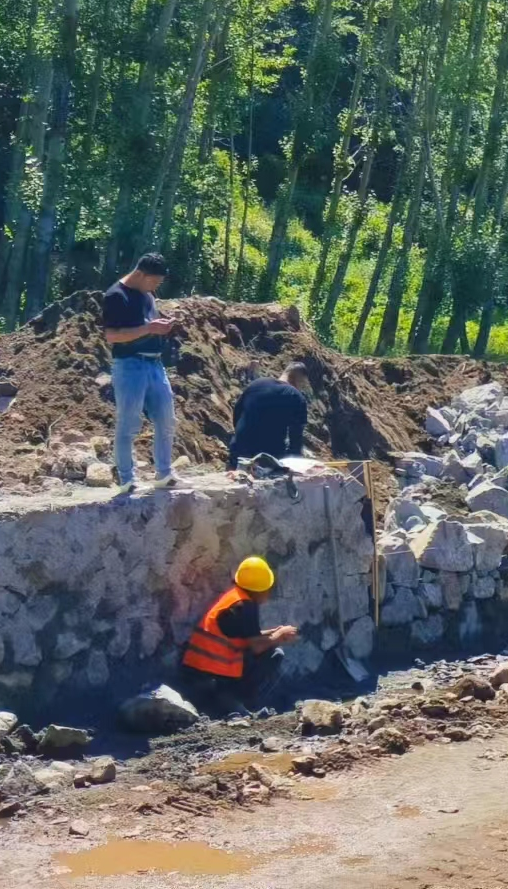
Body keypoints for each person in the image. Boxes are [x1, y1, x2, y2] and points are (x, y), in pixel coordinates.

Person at [100, 252, 179, 496]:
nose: (156, 287)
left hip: (155, 365)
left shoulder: (147, 295)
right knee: (129, 422)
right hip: (129, 365)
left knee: (166, 419)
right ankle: (127, 479)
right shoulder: (115, 296)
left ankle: (164, 474)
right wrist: (149, 328)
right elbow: (112, 335)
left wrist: (161, 326)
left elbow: (146, 324)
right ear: (141, 274)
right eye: (154, 281)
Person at [180, 556, 298, 715]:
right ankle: (238, 701)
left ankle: (229, 701)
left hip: (195, 673)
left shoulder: (234, 598)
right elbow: (256, 647)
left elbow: (241, 636)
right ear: (259, 590)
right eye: (268, 588)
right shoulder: (246, 606)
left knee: (266, 648)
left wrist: (274, 632)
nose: (269, 593)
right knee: (275, 654)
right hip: (215, 678)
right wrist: (279, 637)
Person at [228, 363, 312, 470]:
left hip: (238, 452)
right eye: (302, 384)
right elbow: (296, 437)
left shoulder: (256, 384)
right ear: (299, 379)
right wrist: (295, 465)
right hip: (265, 459)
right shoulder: (295, 396)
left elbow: (237, 414)